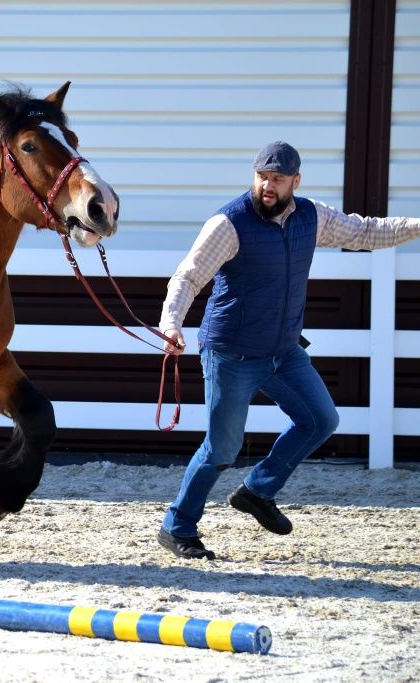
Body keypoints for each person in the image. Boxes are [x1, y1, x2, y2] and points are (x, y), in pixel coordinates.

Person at [156, 141, 420, 560]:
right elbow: (188, 277)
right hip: (231, 354)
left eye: (277, 179)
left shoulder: (311, 216)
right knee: (222, 449)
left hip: (283, 352)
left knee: (320, 419)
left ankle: (258, 490)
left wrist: (417, 225)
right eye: (262, 176)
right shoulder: (229, 224)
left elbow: (366, 230)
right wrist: (171, 323)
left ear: (295, 182)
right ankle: (177, 526)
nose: (267, 185)